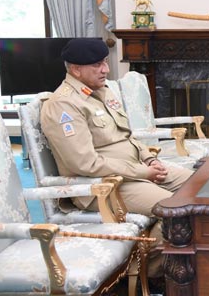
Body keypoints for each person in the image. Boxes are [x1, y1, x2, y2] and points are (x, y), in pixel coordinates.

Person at [40, 37, 193, 279]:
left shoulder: (103, 90)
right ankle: (148, 273)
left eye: (104, 62)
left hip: (135, 171)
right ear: (75, 69)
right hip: (102, 186)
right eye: (97, 65)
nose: (106, 70)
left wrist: (148, 159)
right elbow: (85, 164)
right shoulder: (63, 105)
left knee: (201, 186)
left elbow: (127, 136)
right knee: (178, 211)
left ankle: (184, 258)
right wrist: (144, 172)